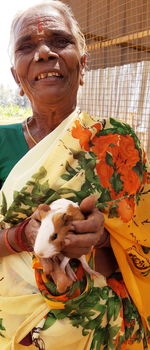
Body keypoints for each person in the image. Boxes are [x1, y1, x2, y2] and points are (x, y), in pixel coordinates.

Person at [0, 1, 149, 349]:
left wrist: (100, 238)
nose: (44, 53)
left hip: (95, 326)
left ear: (83, 66)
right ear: (16, 76)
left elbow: (138, 245)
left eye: (59, 40)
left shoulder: (115, 145)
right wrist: (21, 237)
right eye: (27, 46)